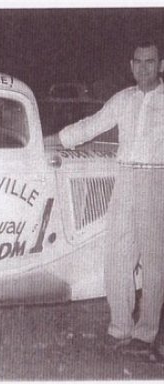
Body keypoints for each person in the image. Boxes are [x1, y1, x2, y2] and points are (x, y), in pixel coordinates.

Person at [55, 40, 164, 360]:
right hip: (126, 178)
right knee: (117, 257)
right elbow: (89, 127)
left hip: (158, 179)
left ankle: (146, 335)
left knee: (155, 262)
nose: (144, 67)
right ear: (131, 66)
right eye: (139, 62)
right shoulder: (123, 99)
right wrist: (48, 141)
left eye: (151, 61)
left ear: (160, 65)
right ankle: (120, 328)